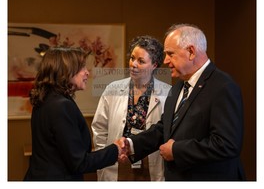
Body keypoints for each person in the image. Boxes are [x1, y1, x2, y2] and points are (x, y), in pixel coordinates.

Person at [125, 24, 245, 181]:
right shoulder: (178, 87)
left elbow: (226, 144)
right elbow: (164, 129)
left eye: (170, 54)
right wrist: (131, 144)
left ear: (191, 52)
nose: (165, 61)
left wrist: (176, 150)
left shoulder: (223, 86)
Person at [24, 46, 126, 181]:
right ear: (66, 71)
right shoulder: (61, 106)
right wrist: (116, 149)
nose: (87, 73)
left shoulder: (45, 98)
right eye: (82, 67)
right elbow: (79, 163)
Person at [91, 35, 172, 181]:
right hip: (117, 161)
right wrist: (104, 158)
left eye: (141, 61)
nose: (133, 64)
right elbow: (100, 130)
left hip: (151, 164)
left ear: (154, 65)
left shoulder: (167, 93)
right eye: (132, 58)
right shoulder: (113, 89)